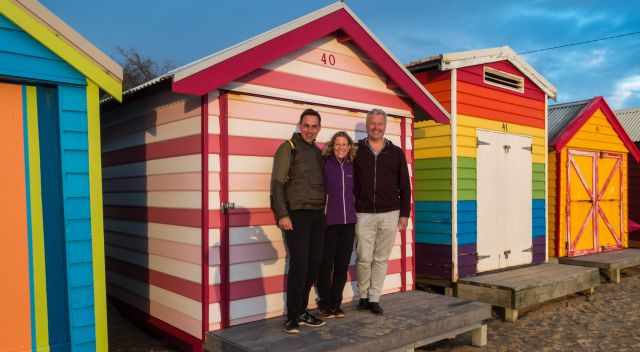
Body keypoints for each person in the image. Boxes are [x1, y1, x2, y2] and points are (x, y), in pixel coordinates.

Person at [270, 108, 327, 334]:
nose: (310, 130)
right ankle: (292, 316)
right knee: (300, 265)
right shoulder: (288, 148)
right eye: (306, 125)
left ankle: (303, 310)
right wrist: (282, 214)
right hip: (296, 215)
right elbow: (276, 184)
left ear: (319, 128)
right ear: (299, 126)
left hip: (317, 215)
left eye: (314, 126)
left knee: (314, 265)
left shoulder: (318, 152)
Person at [354, 108, 410, 315]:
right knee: (363, 257)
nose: (376, 127)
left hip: (390, 213)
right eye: (372, 123)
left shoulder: (396, 153)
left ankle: (375, 298)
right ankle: (362, 295)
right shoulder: (356, 150)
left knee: (381, 258)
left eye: (380, 124)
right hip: (364, 212)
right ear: (368, 125)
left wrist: (404, 213)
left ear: (385, 126)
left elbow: (405, 185)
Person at [317, 132, 357, 319]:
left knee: (342, 265)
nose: (341, 147)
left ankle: (336, 303)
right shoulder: (325, 165)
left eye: (344, 144)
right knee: (326, 264)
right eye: (338, 144)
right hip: (329, 222)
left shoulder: (352, 167)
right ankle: (324, 303)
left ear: (349, 147)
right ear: (333, 146)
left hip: (348, 223)